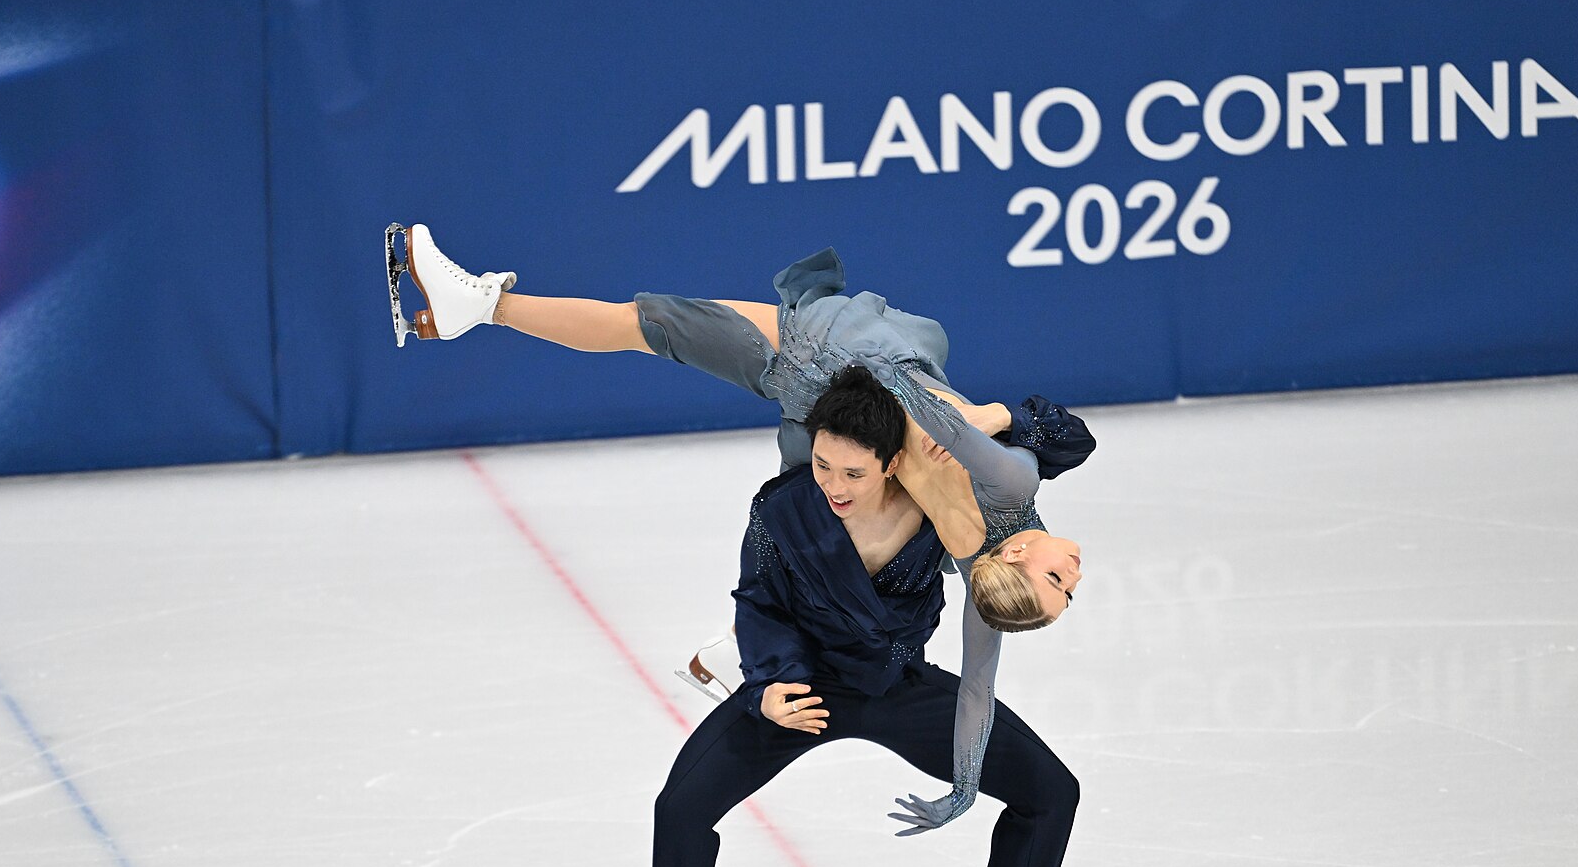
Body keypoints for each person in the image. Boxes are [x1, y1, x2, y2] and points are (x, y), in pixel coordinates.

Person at [389, 226, 1092, 835]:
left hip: (838, 374)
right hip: (847, 413)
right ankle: (737, 647)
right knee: (668, 345)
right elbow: (976, 687)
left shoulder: (1012, 487)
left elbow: (913, 401)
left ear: (1024, 552)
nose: (1076, 570)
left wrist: (975, 415)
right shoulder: (981, 578)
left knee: (648, 324)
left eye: (1060, 582)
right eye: (1068, 587)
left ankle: (479, 306)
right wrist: (962, 788)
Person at [588, 365, 1080, 867]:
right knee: (680, 812)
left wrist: (989, 418)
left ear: (892, 462)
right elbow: (758, 603)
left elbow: (1066, 438)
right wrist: (769, 690)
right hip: (802, 692)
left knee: (1050, 793)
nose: (833, 484)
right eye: (821, 463)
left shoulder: (947, 499)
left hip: (898, 689)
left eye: (853, 470)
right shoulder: (783, 508)